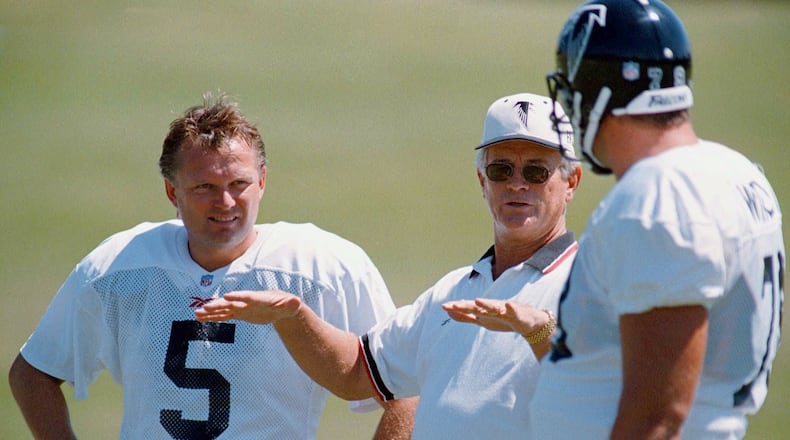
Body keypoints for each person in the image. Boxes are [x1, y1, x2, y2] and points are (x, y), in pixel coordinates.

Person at [447, 1, 785, 438]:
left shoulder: (657, 198)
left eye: (571, 91)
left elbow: (657, 415)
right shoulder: (735, 171)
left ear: (596, 90)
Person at [8, 93, 416, 439]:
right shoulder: (118, 267)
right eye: (204, 186)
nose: (224, 203)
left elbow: (406, 389)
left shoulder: (324, 268)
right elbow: (33, 373)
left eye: (238, 184)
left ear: (262, 182)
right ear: (172, 191)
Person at [194, 92, 583, 438]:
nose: (517, 184)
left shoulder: (590, 284)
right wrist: (293, 316)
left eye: (537, 171)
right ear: (482, 180)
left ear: (571, 182)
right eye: (502, 170)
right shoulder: (453, 292)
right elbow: (357, 373)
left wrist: (542, 334)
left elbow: (609, 400)